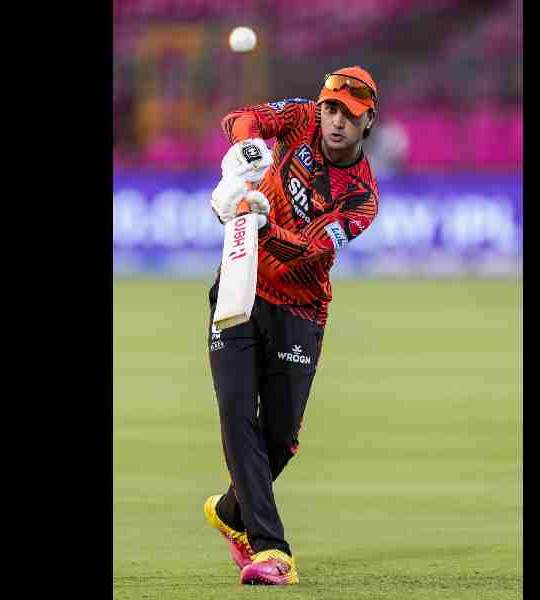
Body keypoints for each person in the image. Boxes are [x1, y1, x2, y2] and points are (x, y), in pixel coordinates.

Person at [203, 66, 380, 585]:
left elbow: (312, 252)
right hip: (241, 283)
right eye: (331, 108)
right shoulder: (301, 117)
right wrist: (245, 155)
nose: (335, 121)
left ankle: (232, 512)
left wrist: (263, 222)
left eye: (350, 114)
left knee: (278, 440)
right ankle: (271, 551)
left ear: (369, 120)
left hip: (300, 310)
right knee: (237, 414)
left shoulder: (361, 199)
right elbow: (241, 119)